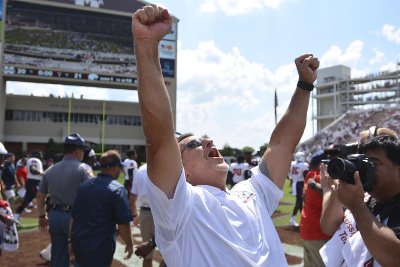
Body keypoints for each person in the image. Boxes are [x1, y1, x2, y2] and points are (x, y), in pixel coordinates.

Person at [132, 4, 319, 265]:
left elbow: (281, 145)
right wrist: (147, 45)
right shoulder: (180, 208)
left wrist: (305, 84)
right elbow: (159, 139)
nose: (207, 140)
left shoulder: (252, 193)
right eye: (195, 143)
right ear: (181, 170)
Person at [320, 135, 400, 266]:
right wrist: (340, 184)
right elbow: (329, 227)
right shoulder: (367, 199)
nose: (365, 170)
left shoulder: (360, 204)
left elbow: (394, 258)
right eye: (363, 163)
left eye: (373, 163)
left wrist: (357, 206)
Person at [69, 150, 133, 267]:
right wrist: (129, 244)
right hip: (98, 249)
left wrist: (70, 241)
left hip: (79, 244)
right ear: (115, 168)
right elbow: (123, 224)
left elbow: (73, 217)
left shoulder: (83, 186)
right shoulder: (117, 189)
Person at [37, 133, 91, 267]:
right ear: (77, 151)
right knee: (81, 254)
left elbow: (40, 196)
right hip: (75, 217)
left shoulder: (50, 170)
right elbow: (92, 193)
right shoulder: (83, 169)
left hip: (54, 216)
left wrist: (42, 216)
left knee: (58, 255)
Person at [299, 151, 331, 267]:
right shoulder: (319, 177)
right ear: (321, 164)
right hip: (318, 230)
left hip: (307, 227)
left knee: (308, 264)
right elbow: (330, 193)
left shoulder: (310, 174)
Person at [130, 163, 161, 267]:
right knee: (168, 254)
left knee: (147, 253)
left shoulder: (140, 170)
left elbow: (133, 197)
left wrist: (135, 216)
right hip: (163, 213)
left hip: (145, 213)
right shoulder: (168, 166)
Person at [14, 150, 44, 221]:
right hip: (33, 182)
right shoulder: (34, 160)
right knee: (41, 198)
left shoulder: (32, 160)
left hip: (32, 182)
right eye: (39, 154)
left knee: (26, 201)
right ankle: (44, 216)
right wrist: (42, 173)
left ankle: (15, 216)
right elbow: (32, 170)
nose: (41, 156)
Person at [289, 151, 309, 226]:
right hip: (300, 183)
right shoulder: (304, 165)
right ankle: (292, 219)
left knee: (300, 201)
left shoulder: (292, 163)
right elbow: (305, 176)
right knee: (299, 201)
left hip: (294, 183)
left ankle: (302, 219)